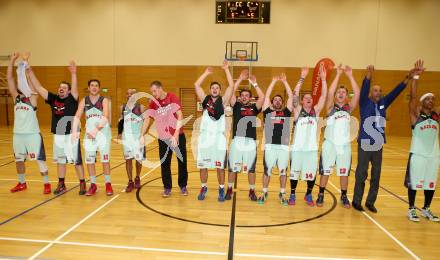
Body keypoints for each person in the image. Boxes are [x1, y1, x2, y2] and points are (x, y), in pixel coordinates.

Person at [352, 63, 418, 212]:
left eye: (380, 91)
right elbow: (364, 87)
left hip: (378, 145)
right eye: (375, 90)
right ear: (370, 93)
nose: (378, 92)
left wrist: (408, 77)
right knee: (361, 173)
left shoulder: (383, 103)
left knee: (376, 175)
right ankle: (357, 201)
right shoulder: (364, 102)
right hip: (365, 143)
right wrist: (368, 76)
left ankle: (370, 201)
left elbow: (396, 92)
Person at [26, 60, 87, 195]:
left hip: (71, 134)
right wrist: (29, 71)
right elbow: (38, 87)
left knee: (76, 161)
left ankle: (82, 183)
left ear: (69, 91)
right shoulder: (53, 98)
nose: (61, 88)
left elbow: (75, 87)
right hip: (58, 134)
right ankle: (61, 184)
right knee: (60, 161)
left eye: (64, 87)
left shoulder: (72, 98)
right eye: (60, 87)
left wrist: (74, 73)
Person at [7, 52, 51, 194]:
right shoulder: (16, 98)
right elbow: (9, 78)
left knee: (39, 160)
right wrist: (12, 61)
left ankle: (46, 184)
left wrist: (26, 66)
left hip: (32, 134)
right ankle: (22, 183)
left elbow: (34, 87)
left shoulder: (33, 98)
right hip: (18, 135)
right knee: (19, 160)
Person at [316, 65, 360, 208]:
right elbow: (329, 93)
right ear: (336, 96)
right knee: (326, 171)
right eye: (339, 92)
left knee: (344, 172)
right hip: (330, 144)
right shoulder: (330, 108)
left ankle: (344, 195)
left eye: (343, 92)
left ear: (347, 97)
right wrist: (338, 74)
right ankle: (321, 194)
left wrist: (350, 76)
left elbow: (357, 94)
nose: (340, 94)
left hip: (344, 146)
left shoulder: (349, 108)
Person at [194, 61, 234, 201]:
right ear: (210, 90)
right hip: (205, 138)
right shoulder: (205, 100)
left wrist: (227, 69)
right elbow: (196, 85)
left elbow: (231, 86)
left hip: (218, 139)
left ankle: (221, 189)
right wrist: (206, 73)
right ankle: (203, 186)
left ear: (220, 91)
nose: (215, 89)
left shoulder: (223, 102)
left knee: (219, 167)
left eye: (217, 88)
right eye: (213, 88)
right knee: (203, 165)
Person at [405, 59, 439, 222]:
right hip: (418, 155)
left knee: (430, 183)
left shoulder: (436, 115)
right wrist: (416, 78)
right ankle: (411, 208)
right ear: (422, 103)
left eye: (433, 99)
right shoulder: (416, 116)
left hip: (433, 155)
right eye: (428, 99)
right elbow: (412, 97)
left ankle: (426, 208)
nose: (431, 101)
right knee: (414, 183)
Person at [141, 81, 188, 197]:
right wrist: (141, 135)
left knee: (182, 161)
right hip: (163, 138)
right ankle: (167, 187)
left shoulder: (172, 97)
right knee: (165, 163)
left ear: (160, 88)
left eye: (154, 91)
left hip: (178, 136)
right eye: (151, 92)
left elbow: (180, 115)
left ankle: (183, 186)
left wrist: (176, 134)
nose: (153, 93)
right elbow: (147, 119)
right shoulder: (153, 103)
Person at [289, 65, 326, 207]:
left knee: (311, 173)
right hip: (297, 149)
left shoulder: (315, 111)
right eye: (306, 98)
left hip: (311, 149)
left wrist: (323, 79)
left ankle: (308, 194)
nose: (309, 99)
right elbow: (294, 95)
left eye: (310, 98)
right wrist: (302, 77)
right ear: (302, 101)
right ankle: (292, 194)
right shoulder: (298, 110)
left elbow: (323, 96)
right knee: (294, 173)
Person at [257, 72, 297, 205]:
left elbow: (291, 97)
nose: (278, 101)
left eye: (280, 100)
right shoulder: (267, 112)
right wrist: (273, 82)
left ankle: (282, 193)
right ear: (272, 102)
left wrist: (285, 82)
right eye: (276, 100)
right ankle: (264, 192)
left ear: (282, 103)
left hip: (284, 147)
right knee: (267, 170)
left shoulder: (286, 112)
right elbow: (267, 96)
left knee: (283, 171)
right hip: (270, 146)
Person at [225, 70, 265, 201]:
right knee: (232, 168)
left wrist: (255, 83)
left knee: (251, 169)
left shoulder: (254, 108)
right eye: (242, 95)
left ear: (250, 98)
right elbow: (230, 93)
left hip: (251, 141)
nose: (244, 97)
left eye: (247, 95)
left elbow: (262, 97)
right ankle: (229, 189)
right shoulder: (236, 105)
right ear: (240, 97)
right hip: (237, 140)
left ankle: (252, 191)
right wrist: (240, 79)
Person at [72, 79, 113, 196]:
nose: (94, 87)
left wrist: (95, 131)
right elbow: (77, 116)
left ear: (99, 88)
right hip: (89, 137)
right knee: (90, 161)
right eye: (92, 85)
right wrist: (74, 131)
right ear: (88, 88)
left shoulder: (104, 100)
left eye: (96, 86)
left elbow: (105, 117)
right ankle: (93, 185)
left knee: (105, 160)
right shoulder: (84, 100)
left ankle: (108, 184)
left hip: (103, 135)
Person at [118, 88, 145, 192]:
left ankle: (137, 177)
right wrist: (120, 133)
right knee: (128, 159)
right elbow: (121, 120)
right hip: (127, 137)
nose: (129, 95)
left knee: (138, 160)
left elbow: (146, 122)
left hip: (138, 137)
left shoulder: (141, 107)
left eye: (132, 94)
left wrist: (143, 135)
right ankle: (130, 181)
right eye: (127, 93)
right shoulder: (123, 107)